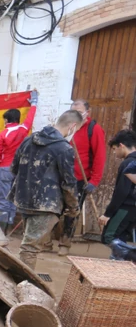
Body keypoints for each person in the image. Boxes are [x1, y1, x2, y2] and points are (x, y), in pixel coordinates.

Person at [8, 109, 83, 270]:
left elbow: (14, 168)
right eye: (75, 130)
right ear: (72, 126)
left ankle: (21, 281)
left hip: (24, 199)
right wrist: (73, 207)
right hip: (46, 204)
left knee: (28, 243)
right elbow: (68, 183)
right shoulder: (64, 148)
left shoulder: (28, 140)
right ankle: (22, 285)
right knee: (29, 247)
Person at [58, 99, 107, 255]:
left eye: (79, 112)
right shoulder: (68, 127)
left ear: (87, 112)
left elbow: (100, 156)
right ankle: (45, 241)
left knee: (72, 212)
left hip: (80, 179)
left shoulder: (94, 129)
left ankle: (65, 244)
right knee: (54, 209)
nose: (75, 116)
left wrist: (94, 180)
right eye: (73, 112)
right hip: (61, 176)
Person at [0, 90, 38, 233]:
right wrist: (34, 103)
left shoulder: (3, 134)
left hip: (4, 168)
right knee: (12, 198)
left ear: (6, 120)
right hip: (19, 170)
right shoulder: (24, 130)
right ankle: (9, 227)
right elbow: (31, 117)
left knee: (3, 199)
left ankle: (1, 232)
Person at [98, 129, 136, 244]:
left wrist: (107, 214)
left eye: (114, 149)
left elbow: (122, 191)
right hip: (133, 209)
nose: (114, 153)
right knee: (122, 237)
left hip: (126, 207)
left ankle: (124, 260)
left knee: (110, 237)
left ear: (121, 146)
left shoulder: (128, 164)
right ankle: (121, 260)